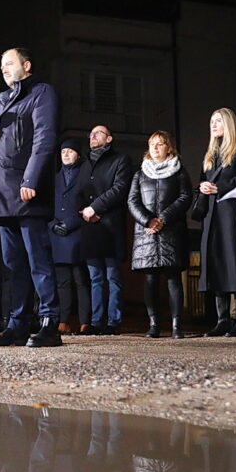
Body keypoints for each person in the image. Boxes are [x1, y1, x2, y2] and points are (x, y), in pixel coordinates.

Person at [0, 48, 62, 348]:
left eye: (9, 63)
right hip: (2, 192)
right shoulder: (2, 102)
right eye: (1, 64)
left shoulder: (42, 94)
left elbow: (44, 138)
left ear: (26, 65)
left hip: (27, 191)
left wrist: (31, 179)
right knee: (12, 264)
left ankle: (50, 322)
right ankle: (17, 324)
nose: (3, 68)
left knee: (38, 260)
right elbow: (4, 150)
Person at [194, 108, 236, 337]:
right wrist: (202, 187)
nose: (214, 125)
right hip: (212, 215)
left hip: (233, 212)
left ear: (229, 123)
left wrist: (223, 186)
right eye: (212, 121)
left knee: (235, 262)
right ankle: (222, 319)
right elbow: (201, 181)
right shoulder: (211, 154)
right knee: (215, 263)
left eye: (218, 120)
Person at [128, 131, 192, 338]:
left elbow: (185, 197)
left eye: (160, 144)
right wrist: (149, 220)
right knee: (150, 279)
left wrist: (163, 218)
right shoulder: (139, 174)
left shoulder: (179, 172)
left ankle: (176, 326)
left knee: (173, 278)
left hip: (171, 231)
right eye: (152, 144)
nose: (155, 148)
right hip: (147, 232)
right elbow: (132, 201)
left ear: (169, 147)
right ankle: (154, 325)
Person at [81, 125, 134, 335]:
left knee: (113, 276)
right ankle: (95, 321)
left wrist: (95, 207)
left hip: (110, 225)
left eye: (99, 133)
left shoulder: (121, 160)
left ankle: (113, 322)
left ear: (109, 138)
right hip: (90, 226)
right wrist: (86, 210)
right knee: (94, 277)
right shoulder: (85, 164)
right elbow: (79, 191)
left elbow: (120, 188)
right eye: (91, 133)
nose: (93, 135)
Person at [49, 138, 93, 334]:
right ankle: (63, 321)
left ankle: (85, 322)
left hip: (78, 232)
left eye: (70, 151)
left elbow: (89, 202)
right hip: (58, 235)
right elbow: (47, 206)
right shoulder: (55, 178)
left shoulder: (85, 175)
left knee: (80, 279)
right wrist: (53, 225)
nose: (66, 154)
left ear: (78, 154)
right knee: (62, 281)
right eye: (63, 151)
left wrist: (72, 222)